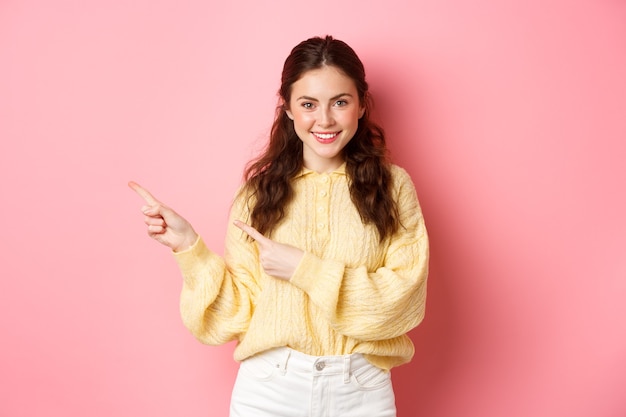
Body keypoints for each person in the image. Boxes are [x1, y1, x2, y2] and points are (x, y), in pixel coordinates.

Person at [129, 35, 429, 417]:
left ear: (361, 106)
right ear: (287, 108)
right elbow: (234, 314)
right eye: (308, 104)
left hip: (361, 392)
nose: (325, 120)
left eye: (340, 102)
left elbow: (401, 302)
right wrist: (189, 248)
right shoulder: (259, 194)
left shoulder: (394, 186)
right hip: (270, 391)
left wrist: (305, 270)